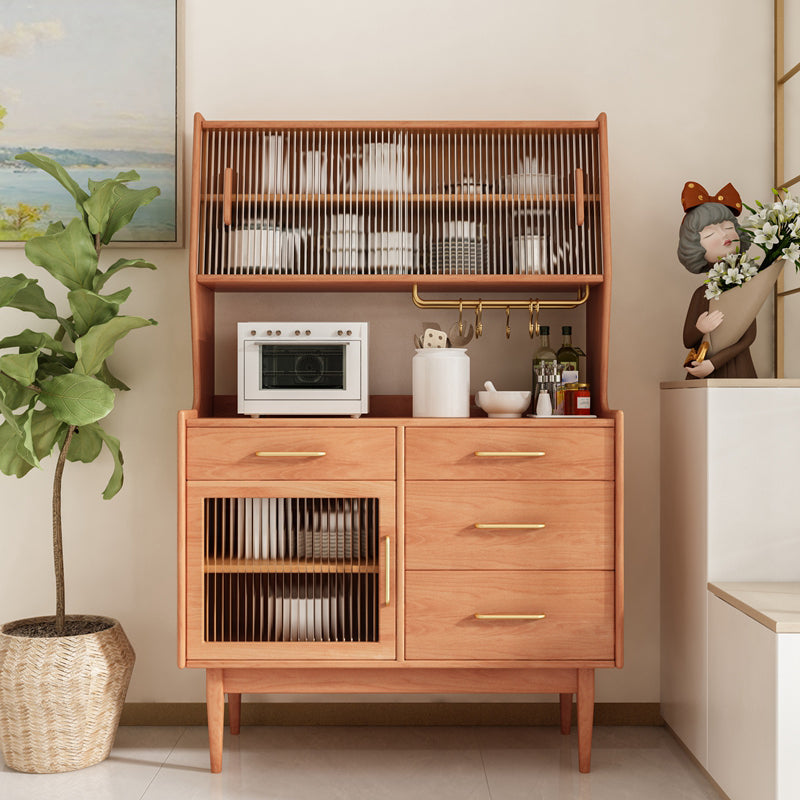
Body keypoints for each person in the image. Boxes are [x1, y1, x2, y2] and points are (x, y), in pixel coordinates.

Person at [677, 181, 756, 378]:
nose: (724, 234)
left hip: (738, 370)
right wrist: (700, 329)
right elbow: (688, 340)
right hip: (702, 370)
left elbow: (748, 337)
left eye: (729, 227)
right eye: (711, 233)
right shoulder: (701, 294)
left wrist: (714, 364)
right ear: (695, 248)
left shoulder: (744, 286)